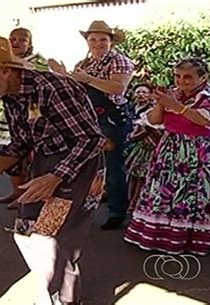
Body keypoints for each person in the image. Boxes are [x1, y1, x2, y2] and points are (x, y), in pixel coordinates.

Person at [0, 36, 105, 305]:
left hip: (78, 167)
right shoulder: (9, 95)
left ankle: (64, 300)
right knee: (28, 232)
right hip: (46, 164)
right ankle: (51, 294)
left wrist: (56, 177)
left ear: (4, 70)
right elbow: (22, 141)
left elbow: (92, 140)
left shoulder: (53, 88)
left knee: (51, 240)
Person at [124, 58, 210, 256]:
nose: (181, 81)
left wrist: (177, 106)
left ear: (203, 77)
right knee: (166, 190)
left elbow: (205, 120)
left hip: (201, 153)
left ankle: (197, 238)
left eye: (188, 77)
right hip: (171, 150)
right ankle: (163, 236)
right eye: (178, 76)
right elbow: (154, 120)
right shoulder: (173, 93)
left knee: (198, 193)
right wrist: (161, 103)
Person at [49, 20, 134, 230]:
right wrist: (63, 74)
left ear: (111, 42)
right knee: (85, 164)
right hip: (87, 118)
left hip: (110, 119)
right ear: (87, 41)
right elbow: (74, 88)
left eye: (103, 39)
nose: (97, 43)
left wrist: (86, 78)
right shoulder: (84, 63)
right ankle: (84, 206)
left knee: (113, 166)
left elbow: (117, 88)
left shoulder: (118, 61)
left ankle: (117, 212)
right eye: (93, 39)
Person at [0, 27, 49, 208]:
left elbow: (38, 94)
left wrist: (33, 119)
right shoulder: (2, 61)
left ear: (29, 43)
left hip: (29, 114)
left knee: (28, 155)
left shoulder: (38, 62)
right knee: (8, 152)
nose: (16, 42)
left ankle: (29, 195)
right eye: (12, 39)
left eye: (22, 39)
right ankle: (17, 191)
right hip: (3, 115)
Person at [124, 83, 162, 214]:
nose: (141, 95)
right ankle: (129, 201)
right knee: (133, 176)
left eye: (144, 92)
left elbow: (152, 131)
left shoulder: (151, 111)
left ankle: (135, 203)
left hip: (149, 148)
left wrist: (137, 134)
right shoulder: (129, 108)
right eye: (138, 92)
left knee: (141, 178)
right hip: (137, 148)